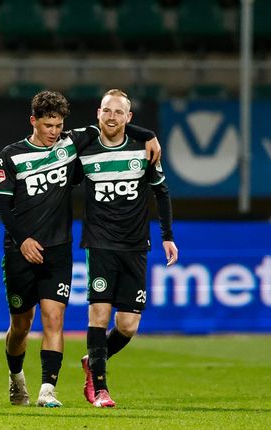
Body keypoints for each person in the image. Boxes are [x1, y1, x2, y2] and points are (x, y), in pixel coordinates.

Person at [0, 90, 160, 408]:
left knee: (54, 319)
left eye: (58, 125)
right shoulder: (11, 155)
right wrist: (23, 240)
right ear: (33, 121)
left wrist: (147, 135)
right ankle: (16, 376)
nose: (54, 132)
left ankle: (47, 390)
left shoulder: (70, 144)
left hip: (58, 249)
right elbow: (1, 205)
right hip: (19, 251)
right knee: (21, 325)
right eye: (48, 125)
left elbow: (110, 125)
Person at [78, 89, 178, 408]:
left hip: (135, 245)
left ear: (128, 117)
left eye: (119, 112)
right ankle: (101, 388)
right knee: (99, 313)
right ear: (98, 113)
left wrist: (167, 236)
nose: (112, 117)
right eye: (107, 110)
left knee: (127, 325)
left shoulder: (142, 149)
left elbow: (161, 193)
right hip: (100, 242)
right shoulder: (84, 149)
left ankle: (93, 360)